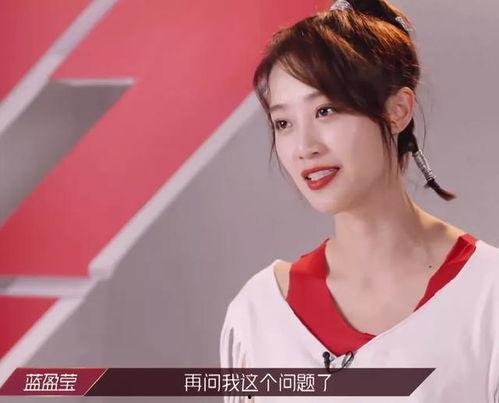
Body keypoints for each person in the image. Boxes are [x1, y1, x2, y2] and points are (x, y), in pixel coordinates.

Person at [219, 1, 499, 401]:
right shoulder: (260, 313)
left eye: (325, 111)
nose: (304, 146)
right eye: (283, 123)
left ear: (398, 110)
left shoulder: (488, 296)